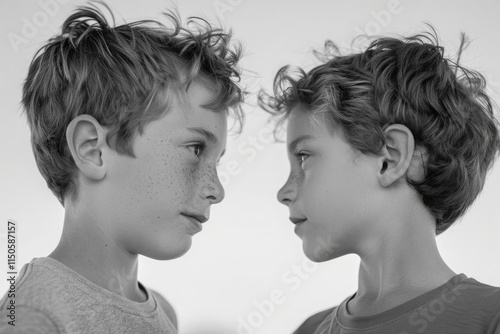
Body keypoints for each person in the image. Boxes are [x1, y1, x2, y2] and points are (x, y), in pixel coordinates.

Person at [0, 2, 244, 333]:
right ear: (93, 149)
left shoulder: (164, 314)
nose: (216, 189)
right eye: (196, 149)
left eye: (216, 161)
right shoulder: (33, 318)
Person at [259, 30, 500, 333]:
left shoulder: (490, 318)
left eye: (304, 157)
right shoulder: (310, 329)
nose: (284, 192)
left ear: (391, 157)